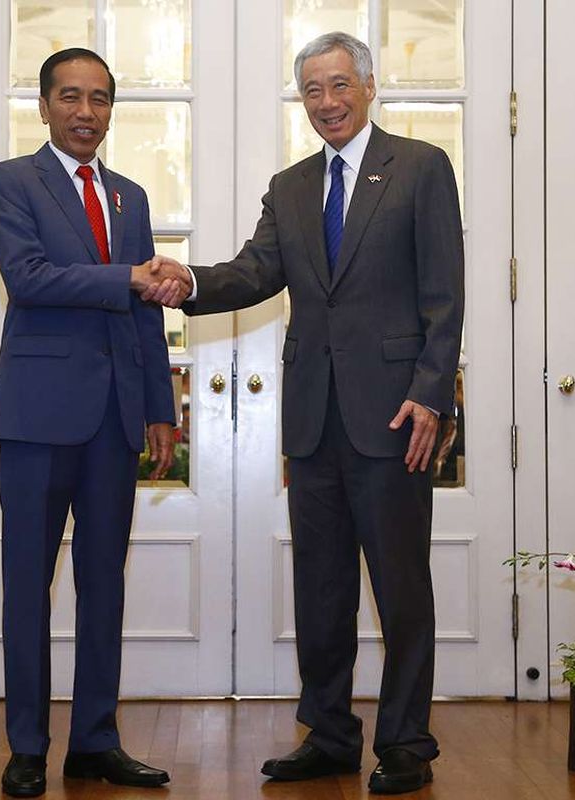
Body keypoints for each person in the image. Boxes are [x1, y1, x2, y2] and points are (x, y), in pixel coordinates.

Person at [145, 32, 462, 794]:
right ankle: (328, 733)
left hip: (395, 416)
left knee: (400, 585)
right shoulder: (290, 187)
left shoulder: (419, 167)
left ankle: (408, 744)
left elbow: (443, 295)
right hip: (313, 418)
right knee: (320, 586)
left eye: (339, 84)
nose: (327, 102)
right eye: (313, 90)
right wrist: (189, 281)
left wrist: (430, 391)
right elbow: (257, 271)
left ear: (369, 85)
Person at [0, 47, 187, 797]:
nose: (86, 112)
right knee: (27, 583)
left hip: (115, 420)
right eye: (71, 97)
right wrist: (126, 276)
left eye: (100, 99)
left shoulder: (129, 196)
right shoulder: (11, 180)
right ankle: (28, 747)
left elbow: (145, 319)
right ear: (43, 105)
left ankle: (95, 741)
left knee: (105, 584)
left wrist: (161, 409)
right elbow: (27, 278)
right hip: (38, 415)